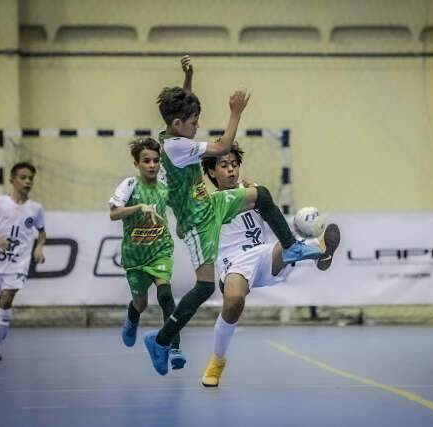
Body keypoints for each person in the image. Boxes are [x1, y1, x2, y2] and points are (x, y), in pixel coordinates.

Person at [143, 55, 324, 375]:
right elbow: (225, 142)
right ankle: (161, 340)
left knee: (261, 195)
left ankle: (292, 246)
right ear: (177, 125)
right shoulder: (176, 148)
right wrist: (235, 111)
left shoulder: (171, 135)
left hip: (209, 205)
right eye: (193, 120)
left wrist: (188, 78)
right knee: (203, 288)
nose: (197, 124)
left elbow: (181, 112)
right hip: (197, 221)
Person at [199, 143, 340, 387]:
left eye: (234, 165)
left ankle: (321, 249)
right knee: (233, 303)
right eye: (224, 166)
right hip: (233, 261)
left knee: (284, 244)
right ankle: (217, 360)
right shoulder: (210, 202)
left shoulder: (251, 193)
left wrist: (253, 193)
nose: (231, 170)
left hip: (263, 254)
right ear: (212, 172)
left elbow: (271, 215)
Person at [109, 137, 185, 369]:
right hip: (135, 256)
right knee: (140, 303)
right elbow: (113, 213)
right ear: (136, 163)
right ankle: (132, 318)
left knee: (165, 297)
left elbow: (179, 205)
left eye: (155, 160)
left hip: (160, 250)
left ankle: (173, 348)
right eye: (146, 161)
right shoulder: (130, 185)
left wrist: (182, 221)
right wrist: (140, 207)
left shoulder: (164, 184)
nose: (152, 165)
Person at [0, 162, 46, 361]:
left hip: (19, 263)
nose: (27, 181)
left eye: (30, 178)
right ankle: (1, 323)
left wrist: (39, 247)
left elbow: (42, 233)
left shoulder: (35, 209)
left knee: (6, 300)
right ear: (12, 180)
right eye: (23, 177)